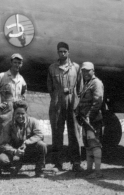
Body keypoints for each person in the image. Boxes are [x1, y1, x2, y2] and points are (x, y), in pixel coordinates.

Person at [47, 42, 84, 172]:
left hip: (72, 101)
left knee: (74, 132)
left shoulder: (76, 67)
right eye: (60, 51)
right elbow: (50, 87)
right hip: (58, 101)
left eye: (64, 51)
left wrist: (76, 102)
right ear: (58, 53)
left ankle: (76, 163)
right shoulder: (52, 68)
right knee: (57, 132)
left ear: (68, 52)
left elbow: (80, 88)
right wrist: (57, 96)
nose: (62, 53)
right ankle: (58, 163)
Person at [0, 53, 27, 158]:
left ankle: (12, 160)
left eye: (19, 63)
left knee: (16, 134)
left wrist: (22, 101)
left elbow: (24, 90)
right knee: (3, 135)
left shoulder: (21, 78)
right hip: (6, 109)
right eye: (15, 62)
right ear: (10, 63)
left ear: (21, 64)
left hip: (17, 110)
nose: (17, 65)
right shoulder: (2, 76)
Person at [0, 100, 47, 178]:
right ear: (14, 113)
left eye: (22, 114)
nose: (20, 116)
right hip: (15, 153)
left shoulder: (33, 122)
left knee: (42, 145)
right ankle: (9, 168)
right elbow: (2, 144)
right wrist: (14, 151)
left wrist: (27, 142)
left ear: (26, 113)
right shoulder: (8, 125)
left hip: (29, 151)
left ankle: (39, 170)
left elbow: (39, 135)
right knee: (1, 160)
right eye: (18, 113)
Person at [74, 61, 104, 179]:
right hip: (86, 120)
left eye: (87, 71)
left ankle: (97, 172)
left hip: (93, 120)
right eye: (83, 71)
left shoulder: (96, 83)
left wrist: (89, 116)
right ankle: (89, 170)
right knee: (87, 145)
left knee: (95, 144)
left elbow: (98, 102)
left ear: (93, 71)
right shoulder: (87, 83)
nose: (85, 73)